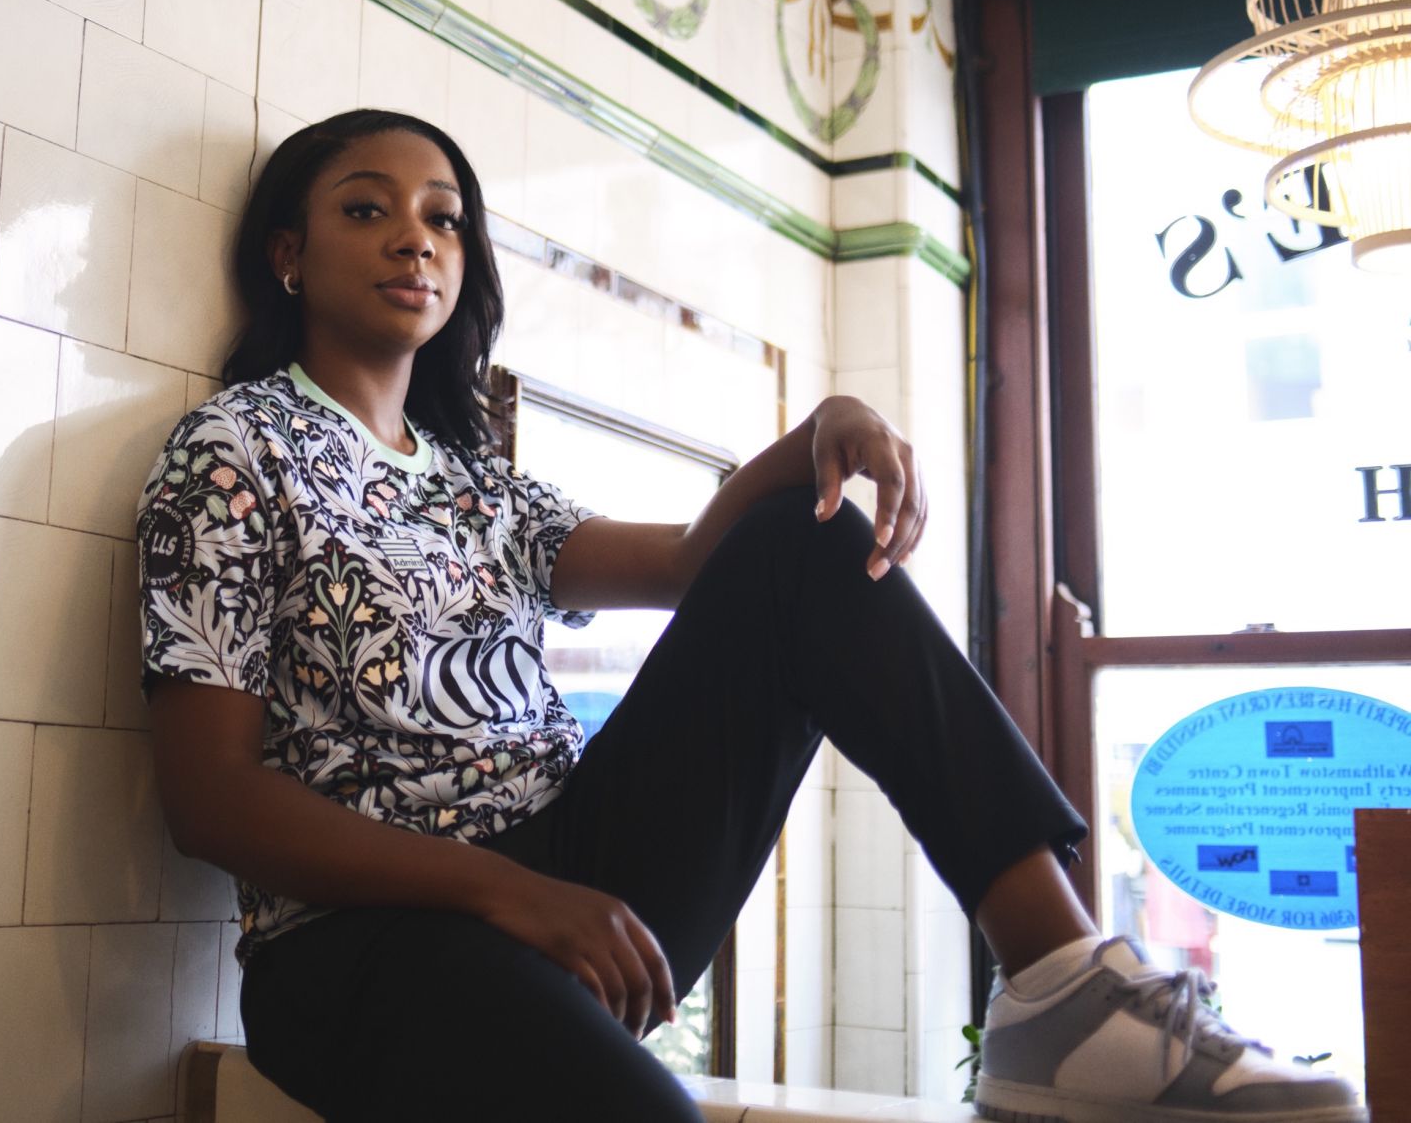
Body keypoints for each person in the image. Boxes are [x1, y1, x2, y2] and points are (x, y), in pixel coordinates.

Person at [134, 110, 1366, 1123]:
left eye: (444, 217)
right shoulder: (237, 450)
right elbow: (210, 801)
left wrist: (815, 432)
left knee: (799, 543)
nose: (416, 236)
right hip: (364, 945)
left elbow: (696, 565)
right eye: (368, 210)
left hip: (570, 889)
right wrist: (498, 892)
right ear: (288, 254)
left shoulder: (476, 480)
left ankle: (1055, 983)